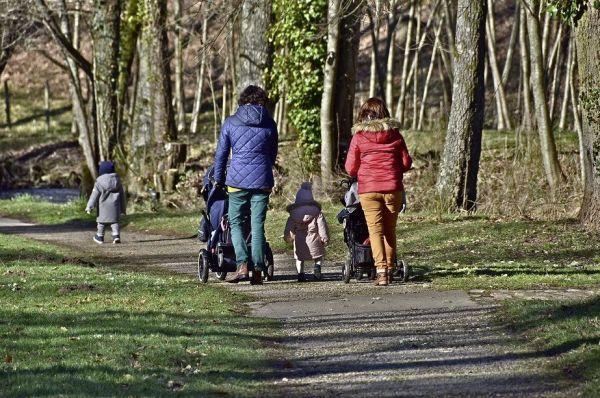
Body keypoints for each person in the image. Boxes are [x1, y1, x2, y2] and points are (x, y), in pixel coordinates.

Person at [213, 85, 278, 285]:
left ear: (242, 100)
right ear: (262, 101)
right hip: (262, 181)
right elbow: (273, 153)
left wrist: (218, 179)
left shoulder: (231, 122)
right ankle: (258, 269)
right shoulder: (269, 123)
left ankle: (242, 265)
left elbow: (222, 154)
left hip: (237, 182)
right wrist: (265, 168)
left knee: (236, 223)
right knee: (257, 225)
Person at [344, 98, 412, 286]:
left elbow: (350, 168)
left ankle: (381, 272)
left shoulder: (359, 137)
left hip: (369, 190)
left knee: (375, 231)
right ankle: (390, 269)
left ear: (363, 115)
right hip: (392, 189)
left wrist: (364, 171)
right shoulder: (395, 135)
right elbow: (406, 163)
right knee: (390, 230)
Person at [284, 182, 329, 282]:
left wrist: (288, 237)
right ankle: (317, 268)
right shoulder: (317, 212)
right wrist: (324, 237)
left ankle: (300, 273)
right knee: (318, 256)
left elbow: (289, 227)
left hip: (300, 240)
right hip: (314, 238)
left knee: (299, 258)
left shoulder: (293, 214)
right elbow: (321, 226)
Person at [85, 161, 126, 244]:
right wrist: (123, 210)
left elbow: (94, 196)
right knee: (115, 223)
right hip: (115, 208)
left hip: (103, 209)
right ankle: (116, 236)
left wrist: (89, 207)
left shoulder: (99, 183)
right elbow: (122, 197)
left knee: (101, 223)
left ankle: (99, 237)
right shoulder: (118, 182)